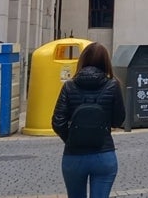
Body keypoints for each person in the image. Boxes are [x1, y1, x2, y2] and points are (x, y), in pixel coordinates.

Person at [52, 42, 126, 198]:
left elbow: (58, 122)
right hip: (104, 153)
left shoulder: (69, 86)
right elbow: (119, 120)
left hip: (74, 155)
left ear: (82, 60)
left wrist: (73, 139)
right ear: (106, 62)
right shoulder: (113, 85)